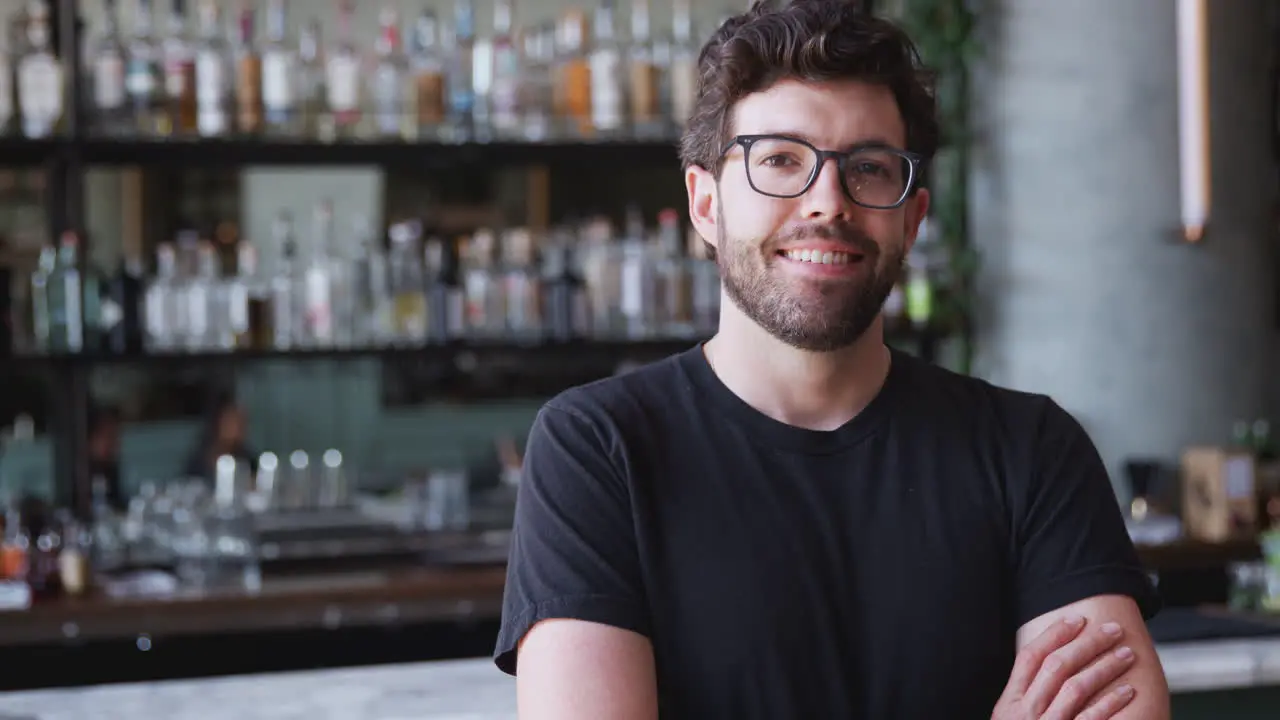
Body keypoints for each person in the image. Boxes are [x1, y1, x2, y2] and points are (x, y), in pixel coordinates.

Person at [495, 2, 1169, 719]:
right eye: (780, 159)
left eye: (870, 169)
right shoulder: (601, 449)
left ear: (911, 219)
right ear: (704, 203)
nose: (828, 202)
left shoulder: (1030, 449)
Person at [183, 393, 257, 482]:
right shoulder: (201, 460)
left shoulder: (248, 459)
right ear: (219, 424)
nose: (239, 430)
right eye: (232, 423)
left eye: (243, 424)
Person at [86, 405, 126, 512]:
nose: (115, 443)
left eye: (116, 436)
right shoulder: (80, 475)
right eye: (109, 436)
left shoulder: (109, 468)